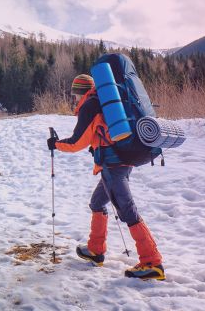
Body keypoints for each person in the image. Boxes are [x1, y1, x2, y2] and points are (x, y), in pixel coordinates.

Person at [46, 73, 165, 280]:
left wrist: (55, 144)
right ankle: (95, 250)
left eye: (75, 94)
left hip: (113, 166)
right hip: (122, 161)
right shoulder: (103, 102)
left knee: (127, 210)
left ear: (79, 92)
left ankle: (152, 262)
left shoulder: (89, 105)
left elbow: (77, 142)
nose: (75, 99)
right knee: (97, 202)